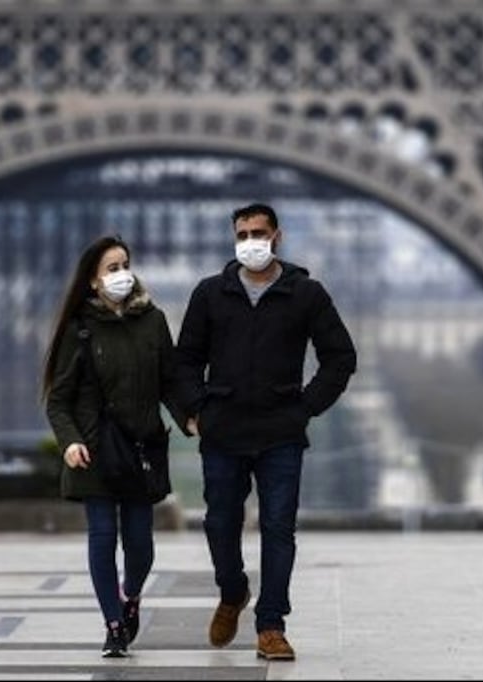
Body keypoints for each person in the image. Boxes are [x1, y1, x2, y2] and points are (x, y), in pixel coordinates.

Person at [175, 203, 357, 661]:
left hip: (280, 431)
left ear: (277, 235)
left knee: (278, 529)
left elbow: (341, 356)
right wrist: (196, 408)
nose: (250, 241)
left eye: (258, 232)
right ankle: (233, 591)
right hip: (224, 429)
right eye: (242, 234)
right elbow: (185, 360)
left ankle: (271, 625)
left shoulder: (306, 293)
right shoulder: (210, 293)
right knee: (219, 524)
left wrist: (306, 407)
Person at [43, 234, 188, 658]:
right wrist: (69, 442)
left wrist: (191, 418)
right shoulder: (79, 330)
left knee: (140, 544)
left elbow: (170, 383)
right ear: (92, 280)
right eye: (112, 267)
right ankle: (113, 625)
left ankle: (130, 595)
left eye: (125, 264)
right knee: (102, 537)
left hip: (140, 448)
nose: (122, 274)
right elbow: (58, 399)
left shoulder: (153, 321)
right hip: (93, 450)